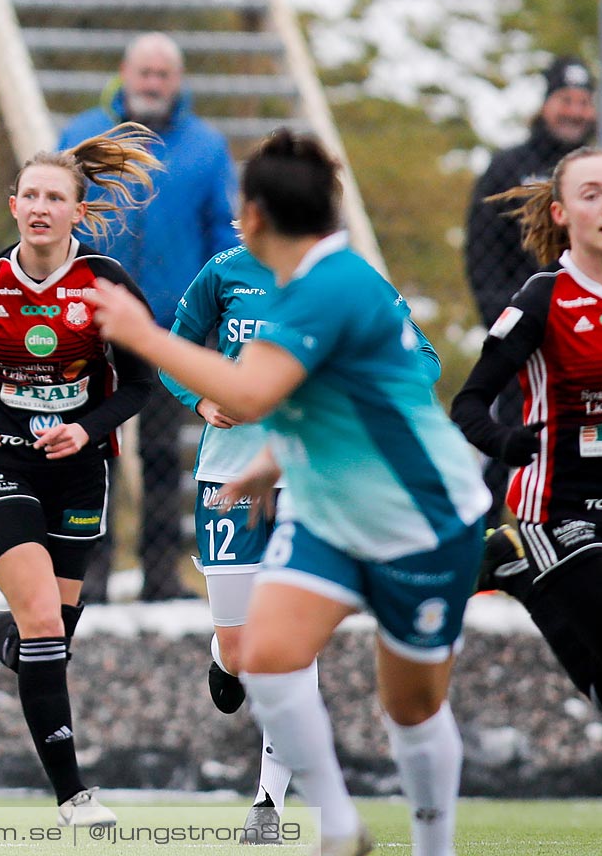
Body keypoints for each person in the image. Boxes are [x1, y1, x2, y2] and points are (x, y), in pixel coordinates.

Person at [88, 130, 488, 856]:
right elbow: (328, 402)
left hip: (423, 520)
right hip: (329, 509)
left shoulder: (334, 286)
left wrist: (137, 333)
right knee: (264, 655)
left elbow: (252, 389)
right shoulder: (296, 281)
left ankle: (437, 848)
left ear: (257, 214)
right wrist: (274, 460)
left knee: (413, 708)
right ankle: (337, 826)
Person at [0, 125, 160, 830]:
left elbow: (142, 382)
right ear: (14, 206)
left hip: (77, 474)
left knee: (46, 646)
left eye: (57, 197)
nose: (42, 207)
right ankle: (75, 797)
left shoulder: (104, 285)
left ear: (79, 211)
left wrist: (91, 427)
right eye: (31, 195)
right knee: (44, 624)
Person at [163, 240, 440, 839]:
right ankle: (222, 657)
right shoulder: (223, 270)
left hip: (315, 478)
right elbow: (173, 352)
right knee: (241, 652)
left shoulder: (350, 278)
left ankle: (269, 802)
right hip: (231, 476)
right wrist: (202, 397)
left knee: (291, 644)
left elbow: (424, 358)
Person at [450, 147, 602, 765]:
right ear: (562, 213)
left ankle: (515, 568)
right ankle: (519, 552)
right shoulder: (542, 298)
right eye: (592, 194)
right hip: (560, 513)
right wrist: (504, 442)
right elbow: (468, 405)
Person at [59, 33, 237, 600]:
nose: (153, 83)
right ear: (124, 73)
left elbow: (221, 234)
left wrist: (217, 308)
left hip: (169, 328)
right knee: (91, 449)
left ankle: (161, 576)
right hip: (91, 321)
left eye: (163, 74)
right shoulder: (81, 136)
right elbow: (60, 216)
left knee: (162, 453)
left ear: (177, 81)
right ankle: (91, 575)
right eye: (145, 72)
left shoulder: (207, 149)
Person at [463, 55, 597, 501]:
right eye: (565, 99)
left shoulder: (601, 173)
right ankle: (491, 549)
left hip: (591, 335)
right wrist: (510, 324)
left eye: (583, 101)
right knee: (511, 443)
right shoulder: (508, 169)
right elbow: (481, 250)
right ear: (544, 105)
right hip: (526, 334)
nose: (575, 111)